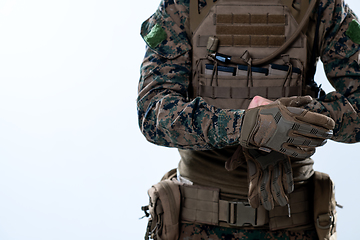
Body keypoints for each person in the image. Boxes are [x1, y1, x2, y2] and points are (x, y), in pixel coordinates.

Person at [138, 0, 360, 239]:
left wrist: (287, 119)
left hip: (295, 221)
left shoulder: (323, 5)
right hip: (196, 221)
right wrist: (245, 125)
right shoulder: (184, 4)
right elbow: (153, 114)